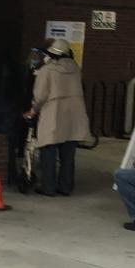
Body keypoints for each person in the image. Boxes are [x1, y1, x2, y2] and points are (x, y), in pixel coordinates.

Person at [27, 39, 89, 197]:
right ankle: (66, 187)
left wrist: (33, 110)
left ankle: (48, 187)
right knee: (68, 155)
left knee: (49, 152)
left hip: (53, 114)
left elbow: (40, 96)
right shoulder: (76, 69)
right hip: (75, 116)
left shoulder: (47, 71)